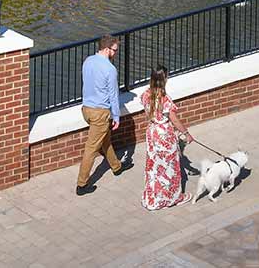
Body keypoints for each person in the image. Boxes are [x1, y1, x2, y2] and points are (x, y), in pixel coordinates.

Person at [75, 35, 129, 196]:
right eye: (115, 50)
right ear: (107, 49)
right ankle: (81, 184)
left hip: (87, 109)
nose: (116, 53)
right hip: (100, 112)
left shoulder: (88, 61)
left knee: (105, 139)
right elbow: (113, 95)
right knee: (91, 148)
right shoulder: (110, 69)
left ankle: (116, 166)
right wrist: (117, 117)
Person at [138, 66, 191, 210]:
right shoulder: (165, 100)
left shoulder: (145, 95)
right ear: (164, 79)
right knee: (169, 168)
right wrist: (186, 134)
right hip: (164, 134)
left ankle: (152, 198)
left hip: (152, 132)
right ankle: (172, 198)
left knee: (154, 167)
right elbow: (174, 120)